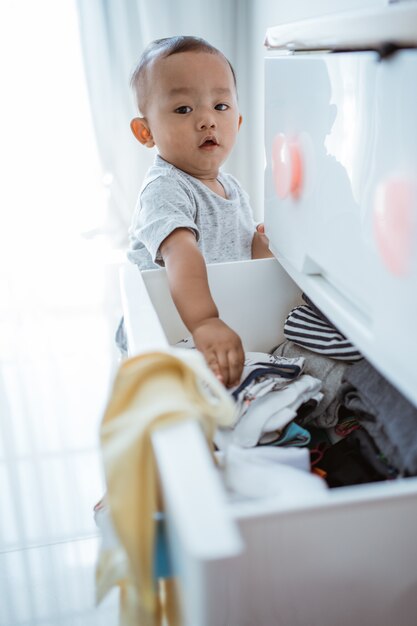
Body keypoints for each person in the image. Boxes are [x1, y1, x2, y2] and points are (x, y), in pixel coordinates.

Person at [126, 35, 272, 387]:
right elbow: (181, 255)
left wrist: (265, 246)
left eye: (220, 106)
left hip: (216, 314)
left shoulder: (232, 187)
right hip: (168, 327)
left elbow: (245, 260)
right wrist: (206, 321)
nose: (207, 120)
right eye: (183, 109)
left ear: (237, 122)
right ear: (146, 131)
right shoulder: (165, 188)